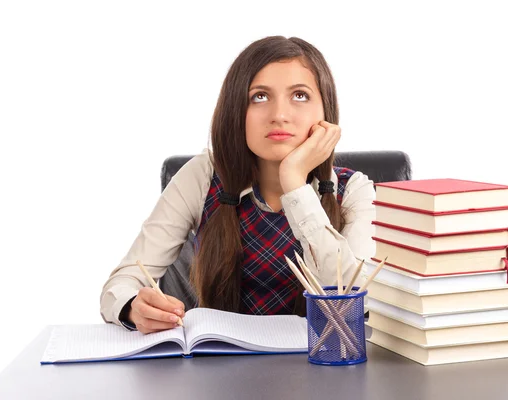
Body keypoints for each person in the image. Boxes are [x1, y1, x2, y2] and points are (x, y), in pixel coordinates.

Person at [99, 35, 376, 334]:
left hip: (324, 368)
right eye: (259, 96)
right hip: (219, 370)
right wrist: (132, 307)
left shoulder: (353, 189)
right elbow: (121, 283)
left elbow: (357, 303)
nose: (279, 115)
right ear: (235, 111)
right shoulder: (203, 175)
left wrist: (295, 183)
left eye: (299, 95)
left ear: (326, 110)